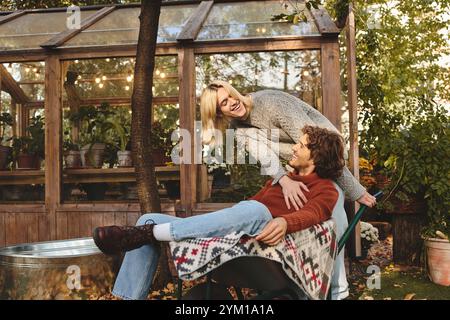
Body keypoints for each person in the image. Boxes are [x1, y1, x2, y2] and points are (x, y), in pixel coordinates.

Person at [94, 126, 346, 300]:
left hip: (266, 250)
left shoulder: (326, 189)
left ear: (315, 154)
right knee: (146, 220)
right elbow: (244, 211)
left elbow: (314, 214)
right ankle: (129, 293)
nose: (294, 148)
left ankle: (150, 233)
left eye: (301, 145)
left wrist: (284, 220)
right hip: (235, 240)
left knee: (256, 210)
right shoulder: (281, 180)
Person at [200, 80, 376, 210]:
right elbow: (264, 155)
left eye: (231, 95)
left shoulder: (272, 104)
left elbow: (315, 144)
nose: (233, 102)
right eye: (224, 103)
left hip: (329, 150)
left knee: (329, 199)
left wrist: (356, 191)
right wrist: (285, 181)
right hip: (299, 157)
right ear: (218, 114)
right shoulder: (239, 129)